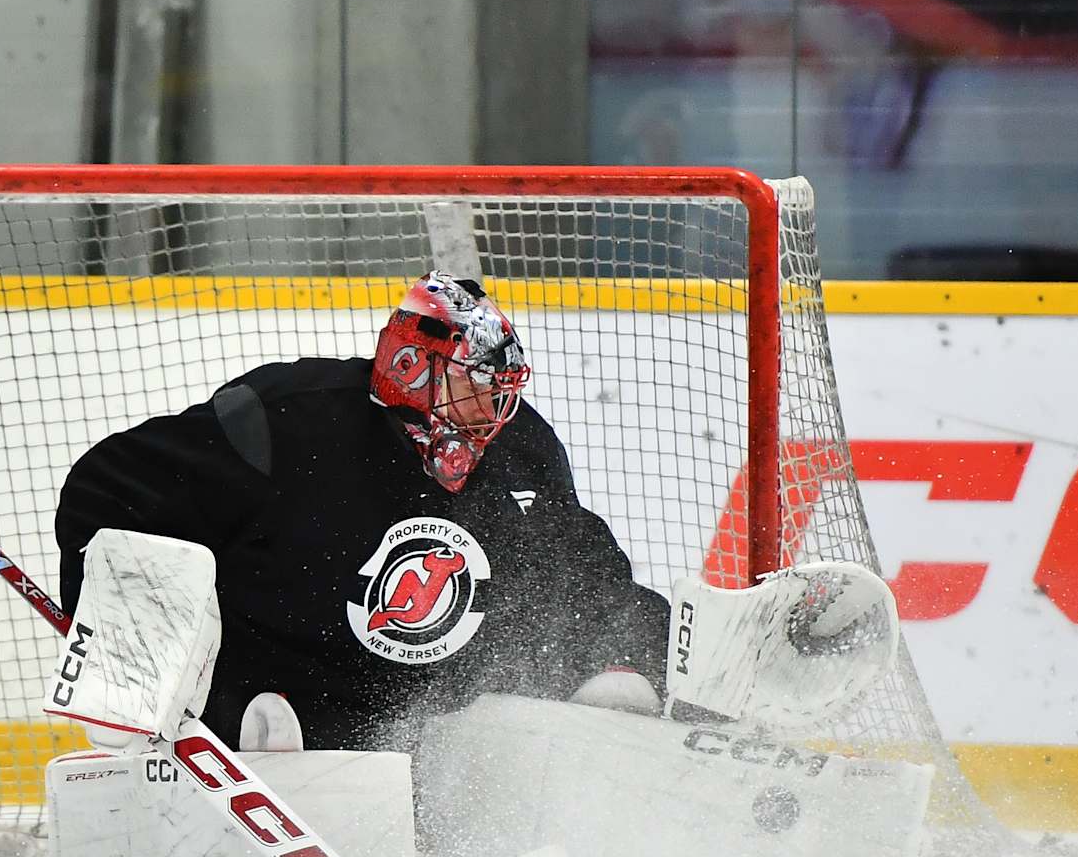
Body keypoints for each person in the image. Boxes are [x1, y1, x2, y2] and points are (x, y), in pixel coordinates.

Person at [55, 272, 670, 752]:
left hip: (432, 724)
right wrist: (126, 656)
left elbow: (581, 570)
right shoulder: (287, 420)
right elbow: (109, 491)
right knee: (264, 717)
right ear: (411, 367)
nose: (494, 412)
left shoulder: (522, 450)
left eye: (503, 393)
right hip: (270, 706)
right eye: (475, 387)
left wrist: (625, 657)